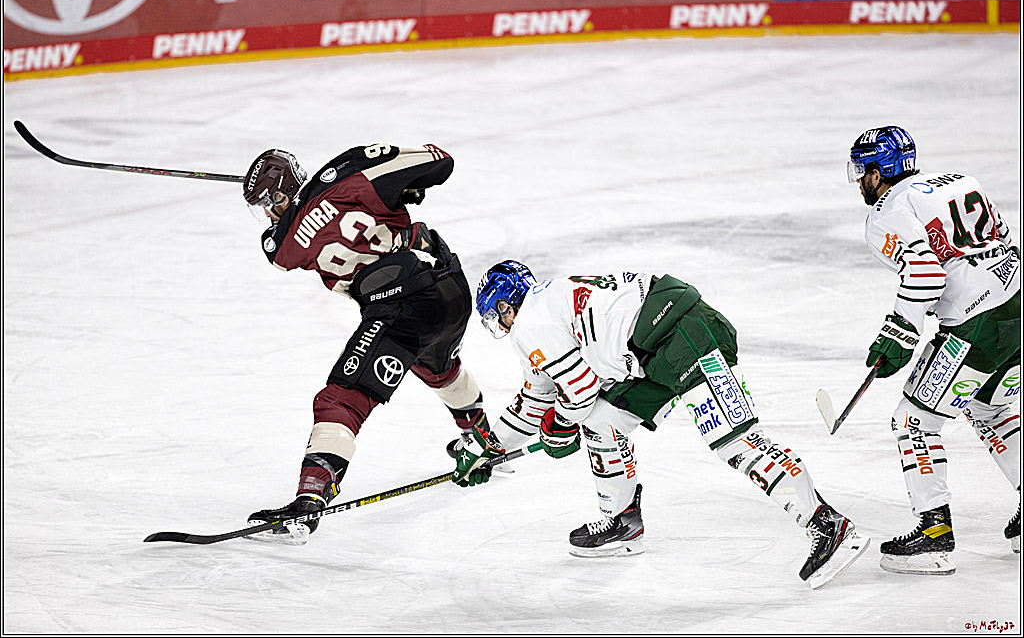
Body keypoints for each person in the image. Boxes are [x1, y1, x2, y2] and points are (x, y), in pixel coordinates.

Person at [452, 261, 869, 588]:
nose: (501, 325)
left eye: (497, 315)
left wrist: (559, 426)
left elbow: (575, 393)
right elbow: (535, 399)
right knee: (602, 421)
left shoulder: (532, 322)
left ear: (508, 304)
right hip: (657, 352)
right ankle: (622, 521)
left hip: (686, 339)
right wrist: (487, 448)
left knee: (737, 444)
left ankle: (827, 524)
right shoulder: (549, 305)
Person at [240, 143, 489, 544]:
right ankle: (482, 440)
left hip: (403, 304)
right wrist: (405, 186)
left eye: (268, 205)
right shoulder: (351, 175)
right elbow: (440, 160)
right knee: (438, 368)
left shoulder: (283, 246)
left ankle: (308, 504)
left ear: (283, 197)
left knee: (341, 401)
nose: (267, 215)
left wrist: (305, 205)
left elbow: (279, 244)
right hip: (450, 289)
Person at [847, 125, 1021, 574]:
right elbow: (1003, 237)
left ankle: (933, 535)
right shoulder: (960, 180)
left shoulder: (887, 212)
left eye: (862, 170)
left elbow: (926, 274)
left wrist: (898, 334)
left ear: (877, 170)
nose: (860, 181)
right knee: (994, 410)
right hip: (1017, 306)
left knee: (914, 420)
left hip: (974, 326)